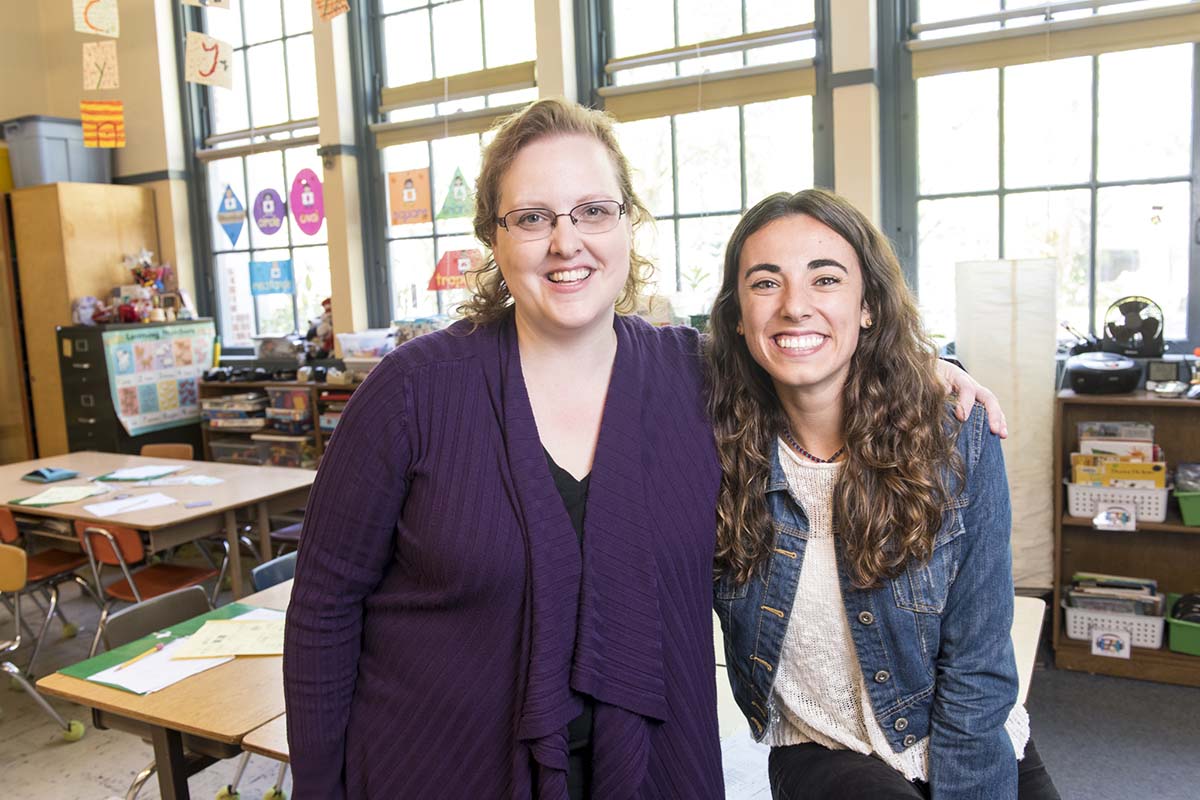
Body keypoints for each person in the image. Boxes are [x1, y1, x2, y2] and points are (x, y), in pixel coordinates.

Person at [283, 99, 1004, 799]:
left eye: (594, 211)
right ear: (493, 238)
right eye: (532, 218)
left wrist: (927, 373)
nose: (567, 242)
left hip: (644, 768)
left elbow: (806, 346)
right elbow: (323, 609)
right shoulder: (411, 393)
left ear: (629, 224)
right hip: (441, 768)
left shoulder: (696, 376)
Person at [707, 189, 1060, 800]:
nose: (795, 306)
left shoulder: (955, 436)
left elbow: (978, 667)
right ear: (737, 313)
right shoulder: (708, 446)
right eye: (766, 283)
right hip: (824, 748)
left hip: (964, 728)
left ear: (867, 305)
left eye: (825, 280)